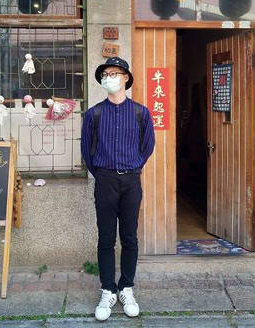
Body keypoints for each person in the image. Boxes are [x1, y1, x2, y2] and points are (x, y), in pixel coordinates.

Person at [81, 57, 155, 321]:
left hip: (131, 181)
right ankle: (107, 290)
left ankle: (126, 288)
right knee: (105, 238)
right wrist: (103, 173)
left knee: (130, 237)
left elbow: (147, 146)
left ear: (126, 77)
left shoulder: (140, 113)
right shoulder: (94, 114)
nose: (109, 78)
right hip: (105, 180)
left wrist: (132, 166)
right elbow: (87, 151)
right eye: (106, 74)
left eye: (114, 73)